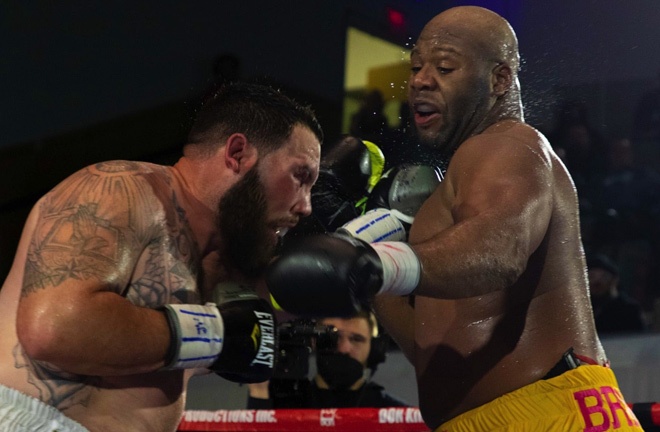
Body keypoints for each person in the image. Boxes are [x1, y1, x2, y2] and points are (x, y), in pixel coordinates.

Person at [265, 6, 643, 431]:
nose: (421, 80)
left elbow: (501, 251)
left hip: (549, 412)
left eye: (444, 67)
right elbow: (431, 346)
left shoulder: (509, 145)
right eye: (416, 67)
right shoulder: (456, 194)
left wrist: (372, 262)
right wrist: (361, 246)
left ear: (500, 79)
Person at [0, 82, 323, 431]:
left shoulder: (224, 260)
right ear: (238, 153)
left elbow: (290, 299)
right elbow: (53, 328)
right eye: (300, 176)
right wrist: (214, 334)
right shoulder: (118, 189)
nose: (306, 206)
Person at [246, 311, 408, 409]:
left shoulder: (395, 416)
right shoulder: (282, 406)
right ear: (315, 342)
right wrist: (259, 393)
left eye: (356, 339)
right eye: (333, 337)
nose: (344, 348)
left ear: (373, 350)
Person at [587, 253, 647, 335]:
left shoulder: (629, 310)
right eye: (591, 277)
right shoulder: (582, 311)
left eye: (604, 277)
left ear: (614, 280)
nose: (597, 282)